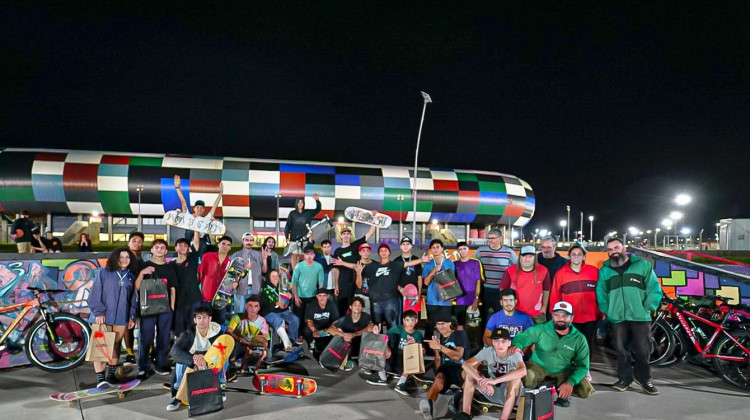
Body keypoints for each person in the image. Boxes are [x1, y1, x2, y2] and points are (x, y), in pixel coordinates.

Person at [596, 237, 662, 395]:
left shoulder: (642, 266)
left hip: (640, 316)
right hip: (618, 317)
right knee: (620, 349)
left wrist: (648, 307)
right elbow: (601, 292)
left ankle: (644, 379)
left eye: (616, 248)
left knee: (642, 350)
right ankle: (625, 378)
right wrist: (608, 309)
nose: (614, 252)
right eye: (610, 249)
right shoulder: (605, 271)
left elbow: (653, 288)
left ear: (624, 248)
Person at [512, 301, 594, 408]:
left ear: (572, 318)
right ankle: (536, 391)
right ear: (552, 316)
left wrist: (570, 382)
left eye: (565, 316)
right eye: (557, 315)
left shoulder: (579, 339)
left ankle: (562, 393)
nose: (561, 319)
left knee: (585, 390)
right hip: (538, 366)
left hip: (564, 370)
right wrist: (516, 345)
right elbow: (522, 337)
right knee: (527, 376)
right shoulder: (541, 329)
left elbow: (583, 366)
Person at [86, 248, 138, 387]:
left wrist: (132, 316)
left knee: (114, 346)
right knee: (101, 347)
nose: (124, 259)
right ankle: (100, 379)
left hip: (121, 317)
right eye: (121, 257)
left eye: (127, 257)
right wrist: (99, 312)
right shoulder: (104, 273)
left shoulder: (130, 276)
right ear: (115, 258)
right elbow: (94, 294)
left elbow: (133, 298)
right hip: (103, 316)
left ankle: (110, 376)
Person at [167, 304, 230, 412]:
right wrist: (193, 360)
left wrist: (205, 360)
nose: (202, 321)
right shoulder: (188, 334)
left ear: (210, 319)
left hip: (209, 363)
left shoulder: (217, 333)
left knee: (223, 356)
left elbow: (227, 350)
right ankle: (178, 396)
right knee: (179, 362)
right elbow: (174, 351)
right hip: (193, 364)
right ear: (195, 320)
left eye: (205, 317)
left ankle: (219, 387)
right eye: (199, 318)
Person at [459, 328, 526, 420]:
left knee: (515, 379)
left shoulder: (514, 353)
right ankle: (465, 415)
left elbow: (523, 371)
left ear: (509, 343)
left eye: (503, 341)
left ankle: (503, 418)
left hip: (511, 394)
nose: (500, 344)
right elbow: (466, 364)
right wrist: (480, 380)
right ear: (493, 342)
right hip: (492, 391)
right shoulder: (488, 351)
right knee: (469, 374)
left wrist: (495, 381)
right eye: (496, 341)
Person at [549, 243, 600, 359]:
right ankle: (571, 368)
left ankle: (586, 368)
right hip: (570, 317)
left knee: (588, 343)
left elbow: (601, 293)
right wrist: (555, 314)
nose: (576, 257)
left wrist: (602, 312)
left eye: (579, 254)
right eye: (573, 254)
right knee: (570, 344)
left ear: (584, 257)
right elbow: (555, 296)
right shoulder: (561, 273)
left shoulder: (594, 271)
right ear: (569, 256)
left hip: (591, 316)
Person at [356, 243, 425, 327]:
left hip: (390, 300)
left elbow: (408, 263)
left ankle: (392, 340)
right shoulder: (372, 266)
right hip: (375, 301)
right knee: (377, 327)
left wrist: (421, 260)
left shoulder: (395, 264)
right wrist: (358, 273)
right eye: (381, 250)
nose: (383, 252)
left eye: (386, 250)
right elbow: (359, 285)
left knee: (392, 326)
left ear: (389, 253)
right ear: (378, 253)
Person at [135, 239, 177, 377]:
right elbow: (136, 287)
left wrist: (171, 306)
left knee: (164, 338)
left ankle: (161, 364)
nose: (159, 249)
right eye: (156, 247)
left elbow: (172, 288)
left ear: (166, 251)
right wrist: (142, 273)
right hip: (147, 308)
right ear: (152, 250)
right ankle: (143, 366)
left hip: (165, 308)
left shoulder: (170, 267)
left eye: (162, 247)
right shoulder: (144, 265)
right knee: (145, 337)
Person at [419, 314, 471, 416]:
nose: (440, 326)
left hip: (461, 367)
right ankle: (429, 407)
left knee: (469, 373)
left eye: (443, 324)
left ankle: (456, 399)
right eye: (438, 324)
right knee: (438, 380)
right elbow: (438, 364)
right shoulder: (438, 337)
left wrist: (440, 347)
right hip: (446, 368)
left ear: (450, 323)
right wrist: (437, 351)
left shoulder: (460, 334)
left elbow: (458, 356)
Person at [367, 310, 423, 391]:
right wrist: (377, 334)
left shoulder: (418, 334)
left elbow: (422, 351)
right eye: (407, 320)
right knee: (380, 342)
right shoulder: (397, 328)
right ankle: (382, 378)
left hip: (405, 363)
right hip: (392, 357)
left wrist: (415, 345)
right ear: (404, 321)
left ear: (416, 321)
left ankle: (401, 384)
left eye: (412, 320)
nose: (410, 323)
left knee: (414, 353)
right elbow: (384, 338)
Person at [499, 245, 551, 324]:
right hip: (516, 313)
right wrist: (508, 308)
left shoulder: (543, 270)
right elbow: (503, 290)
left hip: (537, 314)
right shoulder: (510, 270)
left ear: (535, 258)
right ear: (520, 257)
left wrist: (544, 307)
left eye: (530, 256)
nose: (527, 259)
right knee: (517, 336)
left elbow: (546, 290)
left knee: (538, 336)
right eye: (524, 256)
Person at [332, 224, 377, 316]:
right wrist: (336, 285)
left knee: (357, 306)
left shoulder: (355, 246)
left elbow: (370, 233)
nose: (346, 235)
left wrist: (374, 219)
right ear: (341, 236)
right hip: (343, 283)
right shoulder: (337, 251)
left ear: (350, 236)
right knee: (342, 308)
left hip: (356, 282)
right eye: (344, 234)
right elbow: (336, 270)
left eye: (348, 233)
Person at [474, 228, 518, 320]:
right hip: (484, 289)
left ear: (500, 238)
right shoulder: (481, 251)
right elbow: (472, 264)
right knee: (483, 316)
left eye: (493, 238)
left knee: (500, 315)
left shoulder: (509, 252)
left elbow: (517, 267)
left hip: (501, 290)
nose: (490, 240)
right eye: (488, 238)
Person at [174, 175, 223, 253]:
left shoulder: (206, 219)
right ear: (194, 208)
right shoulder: (188, 216)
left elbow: (214, 206)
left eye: (201, 208)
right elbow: (183, 202)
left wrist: (220, 193)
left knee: (211, 248)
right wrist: (177, 187)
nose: (199, 209)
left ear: (204, 210)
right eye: (197, 207)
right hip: (190, 241)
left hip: (202, 244)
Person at [226, 295, 270, 376]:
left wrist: (257, 346)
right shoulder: (237, 317)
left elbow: (265, 340)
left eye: (256, 306)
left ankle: (254, 363)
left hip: (251, 346)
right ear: (246, 306)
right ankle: (232, 365)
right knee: (230, 341)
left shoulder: (262, 321)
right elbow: (228, 331)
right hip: (238, 345)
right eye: (250, 306)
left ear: (259, 308)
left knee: (266, 353)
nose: (253, 309)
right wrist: (239, 339)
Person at [170, 234, 203, 338]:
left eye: (186, 245)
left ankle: (194, 351)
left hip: (194, 299)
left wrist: (196, 223)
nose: (183, 247)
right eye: (180, 245)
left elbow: (197, 241)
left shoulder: (192, 259)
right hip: (178, 302)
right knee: (179, 331)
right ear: (176, 247)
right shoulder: (171, 265)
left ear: (189, 248)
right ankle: (178, 351)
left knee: (194, 328)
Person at [422, 239, 456, 340]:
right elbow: (426, 282)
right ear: (431, 250)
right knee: (430, 326)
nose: (436, 249)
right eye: (433, 247)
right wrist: (433, 271)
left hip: (445, 301)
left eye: (438, 247)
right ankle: (428, 349)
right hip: (432, 300)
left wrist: (452, 295)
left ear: (442, 249)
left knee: (445, 327)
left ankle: (444, 347)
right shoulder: (428, 264)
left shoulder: (449, 263)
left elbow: (452, 281)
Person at [197, 235, 234, 325]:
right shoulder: (207, 256)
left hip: (221, 299)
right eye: (223, 244)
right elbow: (200, 274)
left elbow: (230, 280)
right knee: (205, 322)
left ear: (230, 248)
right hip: (207, 296)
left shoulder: (231, 262)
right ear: (218, 245)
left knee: (219, 323)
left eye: (228, 245)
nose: (225, 246)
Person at [329, 296, 374, 370]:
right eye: (355, 305)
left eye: (359, 305)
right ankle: (344, 361)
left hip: (362, 343)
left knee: (372, 334)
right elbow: (330, 329)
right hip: (349, 344)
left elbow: (370, 327)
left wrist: (355, 334)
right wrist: (343, 334)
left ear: (362, 308)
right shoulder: (345, 319)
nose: (357, 307)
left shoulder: (366, 317)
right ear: (350, 307)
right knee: (344, 335)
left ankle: (367, 362)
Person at [259, 269, 299, 351]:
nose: (275, 278)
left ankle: (292, 341)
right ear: (269, 278)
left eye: (277, 276)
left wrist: (290, 297)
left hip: (283, 311)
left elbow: (289, 303)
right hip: (269, 312)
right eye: (273, 276)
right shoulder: (265, 289)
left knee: (295, 319)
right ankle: (287, 345)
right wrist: (275, 304)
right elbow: (263, 305)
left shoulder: (283, 288)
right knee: (279, 320)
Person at [123, 231, 145, 366]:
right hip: (126, 295)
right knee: (127, 325)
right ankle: (130, 354)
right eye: (134, 241)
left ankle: (148, 351)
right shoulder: (123, 258)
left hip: (142, 294)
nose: (137, 243)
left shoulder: (143, 259)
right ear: (128, 243)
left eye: (140, 241)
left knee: (146, 324)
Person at [230, 232, 267, 313]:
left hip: (255, 289)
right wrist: (244, 268)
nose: (249, 242)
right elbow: (231, 273)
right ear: (242, 241)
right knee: (240, 313)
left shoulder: (258, 255)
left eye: (251, 240)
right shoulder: (236, 255)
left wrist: (264, 259)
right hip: (240, 288)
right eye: (247, 240)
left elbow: (264, 270)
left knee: (253, 313)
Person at [284, 194, 321, 271]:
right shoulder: (292, 213)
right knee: (294, 255)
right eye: (299, 202)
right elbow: (288, 225)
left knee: (302, 255)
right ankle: (295, 272)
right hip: (294, 238)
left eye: (302, 202)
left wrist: (317, 201)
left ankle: (302, 271)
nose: (300, 204)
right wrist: (287, 237)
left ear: (303, 204)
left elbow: (318, 209)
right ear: (296, 204)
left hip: (305, 238)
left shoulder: (308, 213)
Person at [291, 244, 325, 328]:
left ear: (314, 255)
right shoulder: (299, 266)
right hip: (300, 296)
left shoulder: (319, 267)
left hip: (313, 296)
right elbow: (294, 283)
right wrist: (296, 297)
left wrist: (319, 298)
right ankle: (299, 335)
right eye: (307, 254)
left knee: (312, 317)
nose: (309, 256)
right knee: (299, 317)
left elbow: (321, 284)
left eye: (311, 254)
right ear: (304, 255)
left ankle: (312, 333)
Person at [453, 241, 483, 330]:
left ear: (468, 250)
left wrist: (476, 298)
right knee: (460, 326)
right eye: (460, 249)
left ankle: (474, 344)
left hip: (473, 300)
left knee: (474, 326)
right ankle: (461, 343)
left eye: (464, 249)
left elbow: (478, 281)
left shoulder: (476, 263)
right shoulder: (454, 264)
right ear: (457, 251)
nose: (462, 251)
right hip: (459, 300)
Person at [305, 288, 339, 360]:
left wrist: (331, 328)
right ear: (317, 296)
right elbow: (309, 320)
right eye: (320, 296)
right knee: (306, 330)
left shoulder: (332, 305)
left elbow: (336, 320)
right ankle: (311, 342)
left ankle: (332, 345)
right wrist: (314, 330)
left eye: (324, 296)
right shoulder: (312, 305)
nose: (322, 298)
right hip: (316, 326)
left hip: (327, 325)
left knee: (338, 328)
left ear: (328, 296)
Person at [395, 236, 422, 319]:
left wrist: (419, 292)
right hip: (400, 294)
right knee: (400, 317)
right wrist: (400, 289)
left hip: (414, 294)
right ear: (400, 246)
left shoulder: (416, 259)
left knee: (413, 316)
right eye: (403, 244)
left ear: (411, 246)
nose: (405, 246)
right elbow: (394, 279)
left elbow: (419, 277)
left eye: (408, 244)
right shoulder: (397, 261)